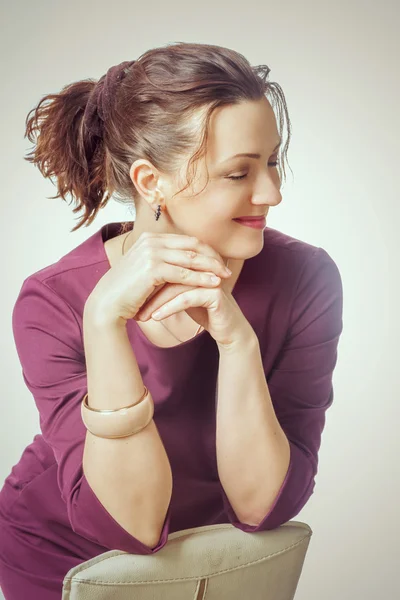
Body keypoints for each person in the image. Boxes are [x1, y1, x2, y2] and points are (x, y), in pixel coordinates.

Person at [0, 42, 343, 599]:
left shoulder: (305, 278)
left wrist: (237, 344)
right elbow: (130, 525)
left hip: (213, 559)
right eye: (238, 172)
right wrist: (105, 321)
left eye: (272, 162)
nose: (272, 193)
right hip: (63, 557)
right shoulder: (53, 301)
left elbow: (262, 507)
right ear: (150, 181)